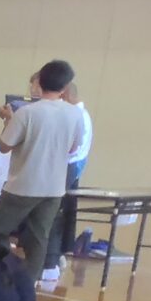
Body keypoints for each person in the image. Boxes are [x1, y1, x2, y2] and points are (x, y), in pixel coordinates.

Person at [0, 60, 78, 276]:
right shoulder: (74, 114)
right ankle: (29, 286)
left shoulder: (26, 113)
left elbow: (4, 146)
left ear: (39, 82)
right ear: (65, 87)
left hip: (23, 185)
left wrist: (9, 119)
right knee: (39, 237)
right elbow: (73, 148)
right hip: (54, 188)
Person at [42, 82, 96, 282]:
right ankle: (56, 256)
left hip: (67, 166)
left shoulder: (76, 115)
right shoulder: (77, 113)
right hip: (67, 166)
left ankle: (51, 262)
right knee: (59, 213)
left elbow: (71, 148)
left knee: (54, 214)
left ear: (62, 95)